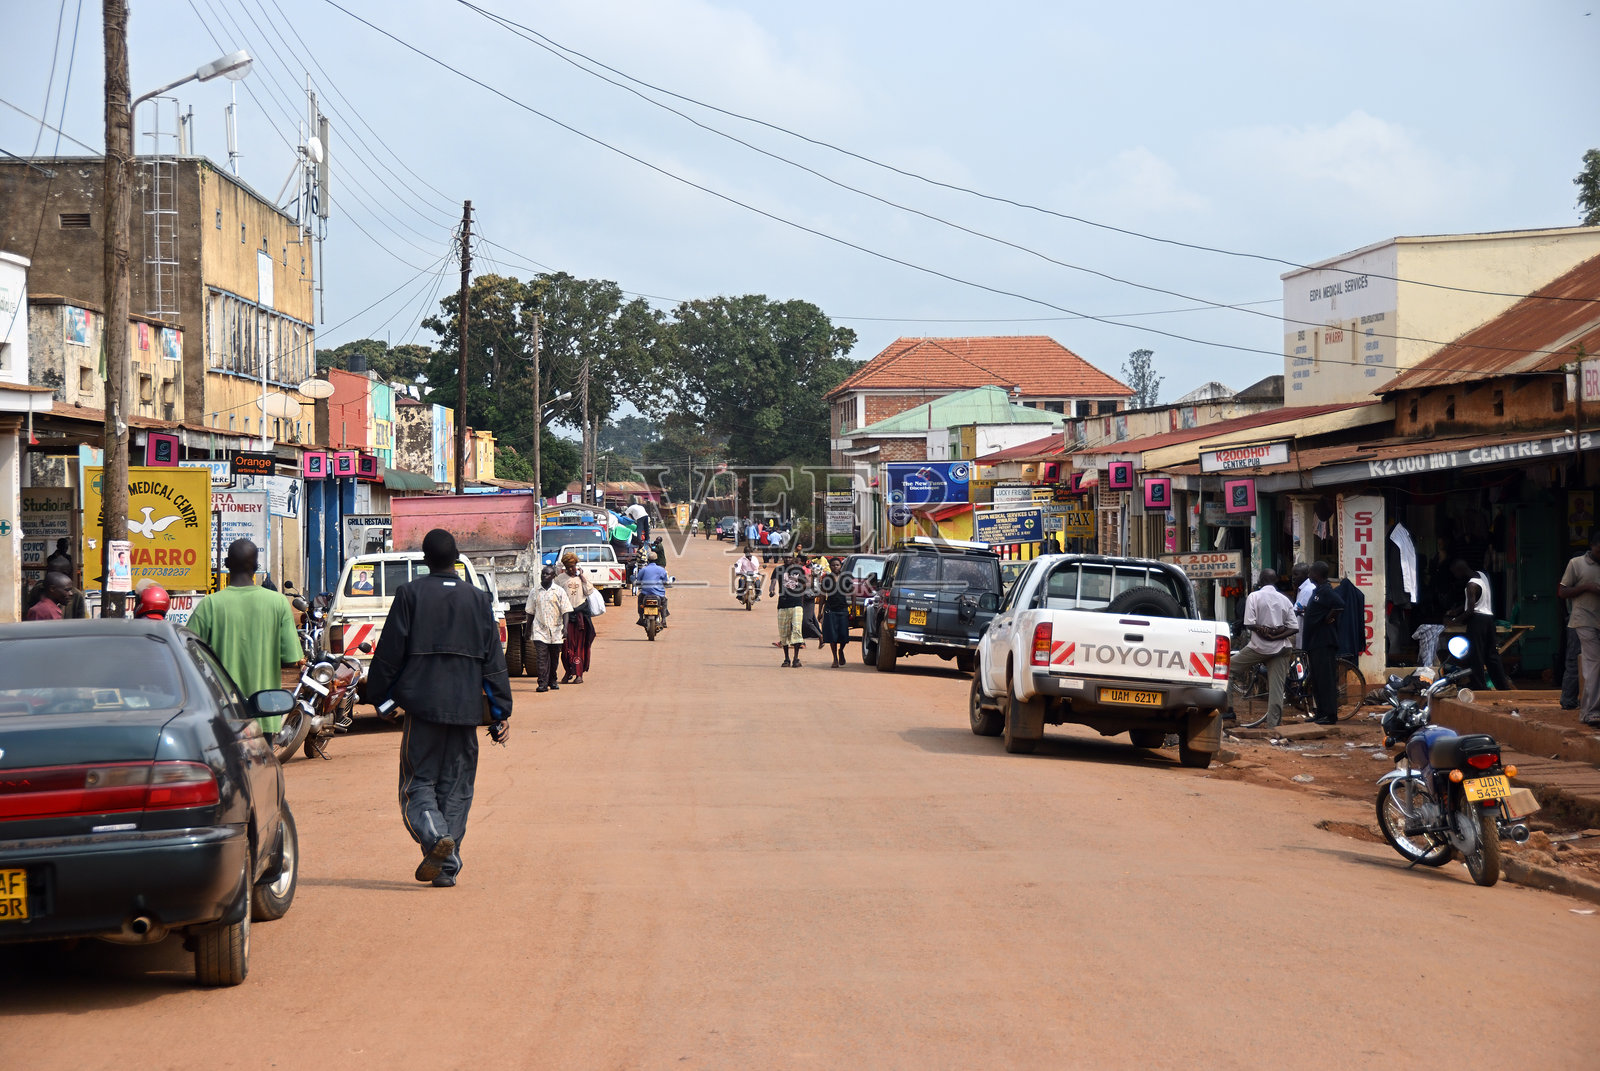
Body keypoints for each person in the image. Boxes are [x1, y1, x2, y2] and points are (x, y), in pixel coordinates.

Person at [365, 529, 511, 889]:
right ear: (457, 557)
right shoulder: (479, 600)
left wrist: (381, 699)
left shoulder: (410, 594)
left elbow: (389, 653)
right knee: (458, 787)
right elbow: (493, 661)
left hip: (423, 709)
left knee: (419, 784)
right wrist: (500, 712)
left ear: (425, 560)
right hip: (465, 711)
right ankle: (446, 867)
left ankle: (435, 841)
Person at [187, 540, 302, 734]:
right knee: (262, 765)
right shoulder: (278, 603)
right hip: (264, 713)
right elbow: (291, 657)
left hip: (224, 714)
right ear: (256, 567)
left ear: (226, 564)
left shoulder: (210, 605)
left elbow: (188, 653)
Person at [1229, 569, 1298, 727]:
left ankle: (1227, 711)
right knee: (1277, 689)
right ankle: (1274, 725)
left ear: (1260, 580)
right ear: (1276, 581)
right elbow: (1294, 628)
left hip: (1259, 647)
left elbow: (1249, 623)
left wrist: (1264, 632)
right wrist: (1276, 636)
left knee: (1227, 670)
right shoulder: (1285, 599)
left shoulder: (1254, 596)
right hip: (1281, 647)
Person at [1450, 560, 1512, 692]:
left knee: (1476, 656)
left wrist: (1454, 620)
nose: (1455, 576)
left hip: (1477, 621)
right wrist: (1457, 610)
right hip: (1489, 619)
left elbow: (1470, 610)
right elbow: (1476, 600)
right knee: (1492, 656)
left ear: (1460, 571)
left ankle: (1479, 687)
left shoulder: (1470, 585)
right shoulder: (1482, 576)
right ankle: (1503, 687)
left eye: (1455, 573)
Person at [1557, 533, 1600, 723]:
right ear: (1592, 545)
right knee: (1591, 664)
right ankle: (1589, 711)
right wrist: (1587, 587)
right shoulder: (1576, 564)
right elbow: (1562, 591)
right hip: (1583, 620)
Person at [1301, 561, 1343, 725]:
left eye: (1311, 572)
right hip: (1314, 642)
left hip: (1324, 643)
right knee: (1317, 680)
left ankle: (1330, 715)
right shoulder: (1318, 591)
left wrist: (1329, 617)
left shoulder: (1326, 590)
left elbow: (1339, 605)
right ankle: (1321, 713)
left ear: (1317, 574)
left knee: (1326, 680)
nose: (1309, 575)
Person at [526, 564, 572, 693]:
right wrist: (527, 630)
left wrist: (566, 628)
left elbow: (566, 610)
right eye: (543, 573)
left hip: (556, 630)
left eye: (547, 574)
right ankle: (542, 683)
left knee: (554, 658)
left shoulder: (559, 591)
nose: (544, 576)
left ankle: (552, 679)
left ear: (553, 576)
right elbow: (530, 612)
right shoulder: (534, 592)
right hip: (539, 629)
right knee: (541, 657)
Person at [558, 551, 597, 685]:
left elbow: (589, 591)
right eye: (568, 567)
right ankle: (568, 672)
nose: (571, 569)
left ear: (576, 565)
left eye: (573, 566)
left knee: (580, 646)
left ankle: (579, 674)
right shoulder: (559, 579)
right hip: (566, 617)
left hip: (580, 617)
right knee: (566, 646)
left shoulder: (582, 577)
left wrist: (583, 579)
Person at [770, 552, 810, 667]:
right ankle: (786, 658)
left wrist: (801, 588)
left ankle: (796, 658)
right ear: (782, 558)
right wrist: (771, 590)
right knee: (784, 632)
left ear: (793, 558)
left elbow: (806, 583)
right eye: (785, 557)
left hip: (797, 604)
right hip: (783, 604)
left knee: (797, 630)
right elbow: (773, 582)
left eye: (789, 557)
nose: (787, 559)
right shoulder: (778, 570)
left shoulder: (799, 570)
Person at [820, 557, 850, 667]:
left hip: (842, 609)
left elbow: (853, 593)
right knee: (832, 635)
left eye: (837, 565)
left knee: (843, 635)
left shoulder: (845, 578)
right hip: (830, 609)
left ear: (841, 566)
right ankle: (835, 659)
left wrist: (853, 607)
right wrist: (820, 612)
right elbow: (823, 595)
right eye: (833, 565)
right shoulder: (827, 579)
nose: (835, 567)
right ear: (830, 566)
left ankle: (841, 650)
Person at [635, 552, 669, 627]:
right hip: (659, 595)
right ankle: (663, 620)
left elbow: (638, 581)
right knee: (664, 602)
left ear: (648, 560)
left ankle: (641, 618)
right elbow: (665, 581)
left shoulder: (643, 570)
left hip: (645, 594)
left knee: (640, 600)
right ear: (656, 560)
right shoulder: (662, 570)